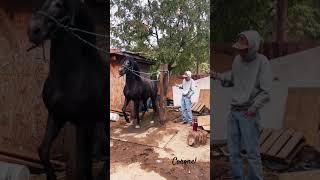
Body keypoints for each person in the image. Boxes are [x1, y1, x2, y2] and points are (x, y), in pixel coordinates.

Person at [212, 30, 272, 180]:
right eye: (239, 49)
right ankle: (238, 177)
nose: (241, 52)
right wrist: (217, 76)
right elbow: (232, 78)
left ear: (252, 47)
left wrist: (253, 109)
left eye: (244, 49)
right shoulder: (237, 60)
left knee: (252, 152)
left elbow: (266, 91)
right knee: (233, 151)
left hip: (248, 113)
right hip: (234, 112)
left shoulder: (262, 62)